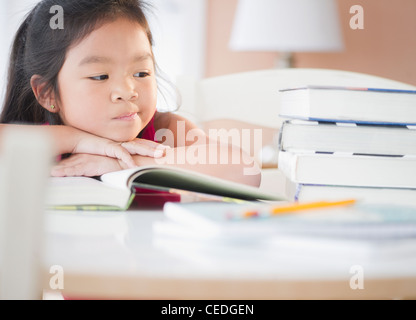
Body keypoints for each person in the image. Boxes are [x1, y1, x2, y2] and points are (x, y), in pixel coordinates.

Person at [0, 0, 260, 187]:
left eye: (141, 73)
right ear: (47, 94)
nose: (127, 91)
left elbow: (244, 170)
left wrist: (128, 162)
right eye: (100, 76)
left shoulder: (162, 130)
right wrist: (76, 140)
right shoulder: (38, 141)